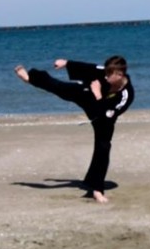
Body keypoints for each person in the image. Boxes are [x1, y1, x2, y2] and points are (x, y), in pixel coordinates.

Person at [14, 56, 134, 203]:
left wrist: (98, 93)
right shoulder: (106, 71)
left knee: (103, 147)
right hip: (89, 97)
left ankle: (96, 188)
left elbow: (106, 115)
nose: (106, 76)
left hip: (104, 117)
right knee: (60, 87)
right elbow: (90, 68)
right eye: (106, 73)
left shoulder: (126, 95)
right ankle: (30, 78)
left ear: (120, 75)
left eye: (110, 75)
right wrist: (67, 63)